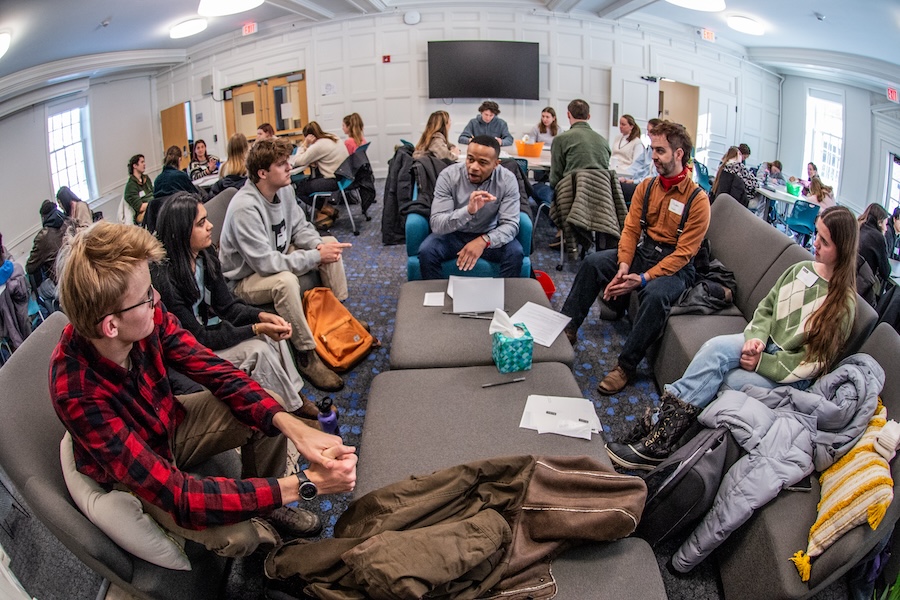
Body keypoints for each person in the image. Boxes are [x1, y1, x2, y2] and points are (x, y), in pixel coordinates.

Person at [50, 221, 357, 559]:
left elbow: (215, 370)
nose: (157, 299)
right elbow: (178, 494)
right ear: (111, 325)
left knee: (261, 403)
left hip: (167, 421)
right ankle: (265, 515)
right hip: (136, 469)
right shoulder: (75, 390)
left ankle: (268, 505)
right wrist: (303, 484)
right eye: (146, 297)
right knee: (239, 537)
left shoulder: (143, 315)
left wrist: (293, 426)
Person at [607, 205, 859, 469]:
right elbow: (767, 308)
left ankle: (661, 436)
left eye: (824, 241)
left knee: (732, 382)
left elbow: (809, 364)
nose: (815, 243)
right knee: (713, 349)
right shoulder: (801, 270)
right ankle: (659, 435)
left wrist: (761, 363)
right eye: (817, 235)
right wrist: (757, 338)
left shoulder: (842, 305)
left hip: (787, 374)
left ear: (842, 249)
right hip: (763, 344)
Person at [560, 121, 710, 395]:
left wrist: (641, 279)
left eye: (661, 150)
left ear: (679, 154)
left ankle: (625, 367)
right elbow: (630, 230)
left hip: (677, 266)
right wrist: (624, 267)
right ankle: (568, 328)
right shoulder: (647, 187)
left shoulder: (698, 200)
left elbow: (684, 254)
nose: (653, 156)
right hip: (644, 252)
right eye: (653, 149)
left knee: (654, 295)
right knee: (594, 262)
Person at [152, 192, 318, 420]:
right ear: (181, 232)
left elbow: (228, 307)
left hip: (207, 332)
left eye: (207, 219)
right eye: (201, 223)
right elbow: (199, 338)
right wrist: (255, 328)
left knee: (271, 331)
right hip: (190, 352)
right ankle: (288, 413)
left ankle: (295, 399)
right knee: (258, 349)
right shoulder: (165, 279)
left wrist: (260, 316)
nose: (211, 226)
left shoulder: (204, 255)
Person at [219, 138, 352, 392]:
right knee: (286, 281)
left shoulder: (285, 190)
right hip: (246, 278)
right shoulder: (244, 208)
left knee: (329, 243)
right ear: (262, 173)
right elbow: (267, 264)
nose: (290, 167)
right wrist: (314, 257)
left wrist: (317, 247)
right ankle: (307, 354)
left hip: (274, 255)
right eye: (281, 164)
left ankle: (339, 319)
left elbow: (300, 228)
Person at [419, 135, 522, 280]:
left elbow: (511, 224)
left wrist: (484, 241)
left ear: (496, 164)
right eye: (470, 159)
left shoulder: (507, 180)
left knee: (515, 252)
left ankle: (503, 299)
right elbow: (437, 225)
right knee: (427, 251)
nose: (473, 167)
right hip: (453, 233)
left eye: (483, 162)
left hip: (488, 233)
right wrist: (468, 211)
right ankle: (436, 298)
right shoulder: (449, 175)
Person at [290, 121, 349, 223]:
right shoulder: (332, 137)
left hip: (333, 180)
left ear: (309, 136)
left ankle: (326, 208)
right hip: (344, 177)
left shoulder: (318, 145)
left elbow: (296, 161)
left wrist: (305, 144)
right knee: (313, 178)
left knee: (300, 190)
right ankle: (323, 210)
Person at [548, 99, 611, 190]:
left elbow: (555, 180)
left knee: (538, 188)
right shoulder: (603, 141)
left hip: (571, 195)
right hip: (601, 195)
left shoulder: (560, 139)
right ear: (588, 116)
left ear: (568, 114)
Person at [25, 199, 72, 304]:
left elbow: (30, 267)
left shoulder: (43, 236)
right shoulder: (69, 221)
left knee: (36, 294)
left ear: (43, 217)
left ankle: (55, 316)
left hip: (62, 284)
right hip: (78, 273)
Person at [857, 203, 891, 288]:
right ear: (879, 222)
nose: (886, 229)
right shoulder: (878, 237)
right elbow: (885, 273)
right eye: (885, 224)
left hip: (848, 279)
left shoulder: (859, 227)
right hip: (861, 286)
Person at [123, 154, 154, 225]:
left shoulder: (146, 179)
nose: (144, 164)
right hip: (141, 215)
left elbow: (154, 192)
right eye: (142, 162)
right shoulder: (131, 186)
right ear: (135, 166)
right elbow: (140, 207)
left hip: (152, 206)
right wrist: (155, 202)